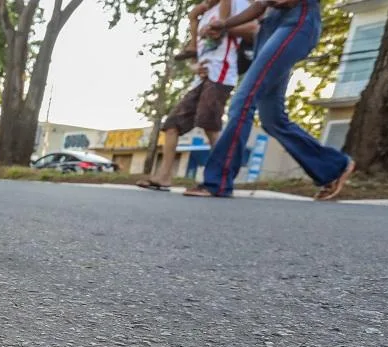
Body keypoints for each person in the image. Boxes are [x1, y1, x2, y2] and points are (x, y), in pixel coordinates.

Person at [184, 0, 354, 200]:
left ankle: (217, 181)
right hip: (269, 26)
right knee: (272, 118)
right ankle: (333, 167)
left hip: (297, 19)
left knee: (243, 100)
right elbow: (260, 5)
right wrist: (225, 24)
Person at [137, 0, 256, 191]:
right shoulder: (205, 14)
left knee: (210, 123)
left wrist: (223, 28)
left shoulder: (237, 3)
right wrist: (195, 66)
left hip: (221, 73)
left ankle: (220, 178)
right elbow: (195, 51)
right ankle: (164, 176)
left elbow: (253, 29)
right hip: (201, 78)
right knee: (172, 125)